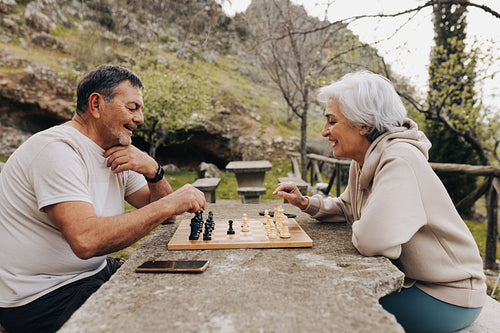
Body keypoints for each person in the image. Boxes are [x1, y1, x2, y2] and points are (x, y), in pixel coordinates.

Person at [273, 71, 486, 333]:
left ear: (363, 123)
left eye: (332, 121)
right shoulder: (363, 160)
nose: (324, 131)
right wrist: (306, 203)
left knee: (321, 305)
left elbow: (372, 239)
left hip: (447, 295)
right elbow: (349, 208)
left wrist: (363, 225)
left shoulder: (399, 160)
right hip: (416, 282)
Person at [0, 65, 206, 333]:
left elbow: (167, 216)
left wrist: (154, 171)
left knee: (179, 294)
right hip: (41, 295)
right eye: (132, 108)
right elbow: (85, 240)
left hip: (92, 273)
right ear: (96, 104)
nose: (140, 118)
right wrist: (171, 201)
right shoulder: (57, 151)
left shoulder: (116, 151)